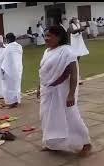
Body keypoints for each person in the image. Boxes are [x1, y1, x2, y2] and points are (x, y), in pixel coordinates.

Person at [37, 25, 91, 156]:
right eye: (46, 35)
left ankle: (85, 143)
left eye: (49, 36)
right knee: (46, 116)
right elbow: (44, 72)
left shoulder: (67, 51)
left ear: (59, 37)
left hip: (62, 91)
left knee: (71, 116)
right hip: (47, 91)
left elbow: (74, 73)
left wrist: (71, 94)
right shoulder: (47, 52)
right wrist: (39, 87)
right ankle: (51, 143)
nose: (46, 38)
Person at [0, 33, 23, 108]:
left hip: (9, 70)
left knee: (8, 86)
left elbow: (2, 58)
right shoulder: (19, 46)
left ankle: (11, 102)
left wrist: (2, 68)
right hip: (18, 69)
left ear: (7, 39)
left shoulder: (8, 48)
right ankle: (16, 100)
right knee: (16, 85)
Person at [69, 17, 89, 84]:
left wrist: (85, 26)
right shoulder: (71, 25)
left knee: (77, 59)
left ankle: (77, 77)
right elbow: (72, 31)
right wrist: (79, 29)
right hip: (74, 43)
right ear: (72, 20)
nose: (76, 20)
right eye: (75, 19)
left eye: (77, 19)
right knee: (75, 60)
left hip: (79, 42)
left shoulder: (78, 24)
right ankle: (76, 77)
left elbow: (82, 29)